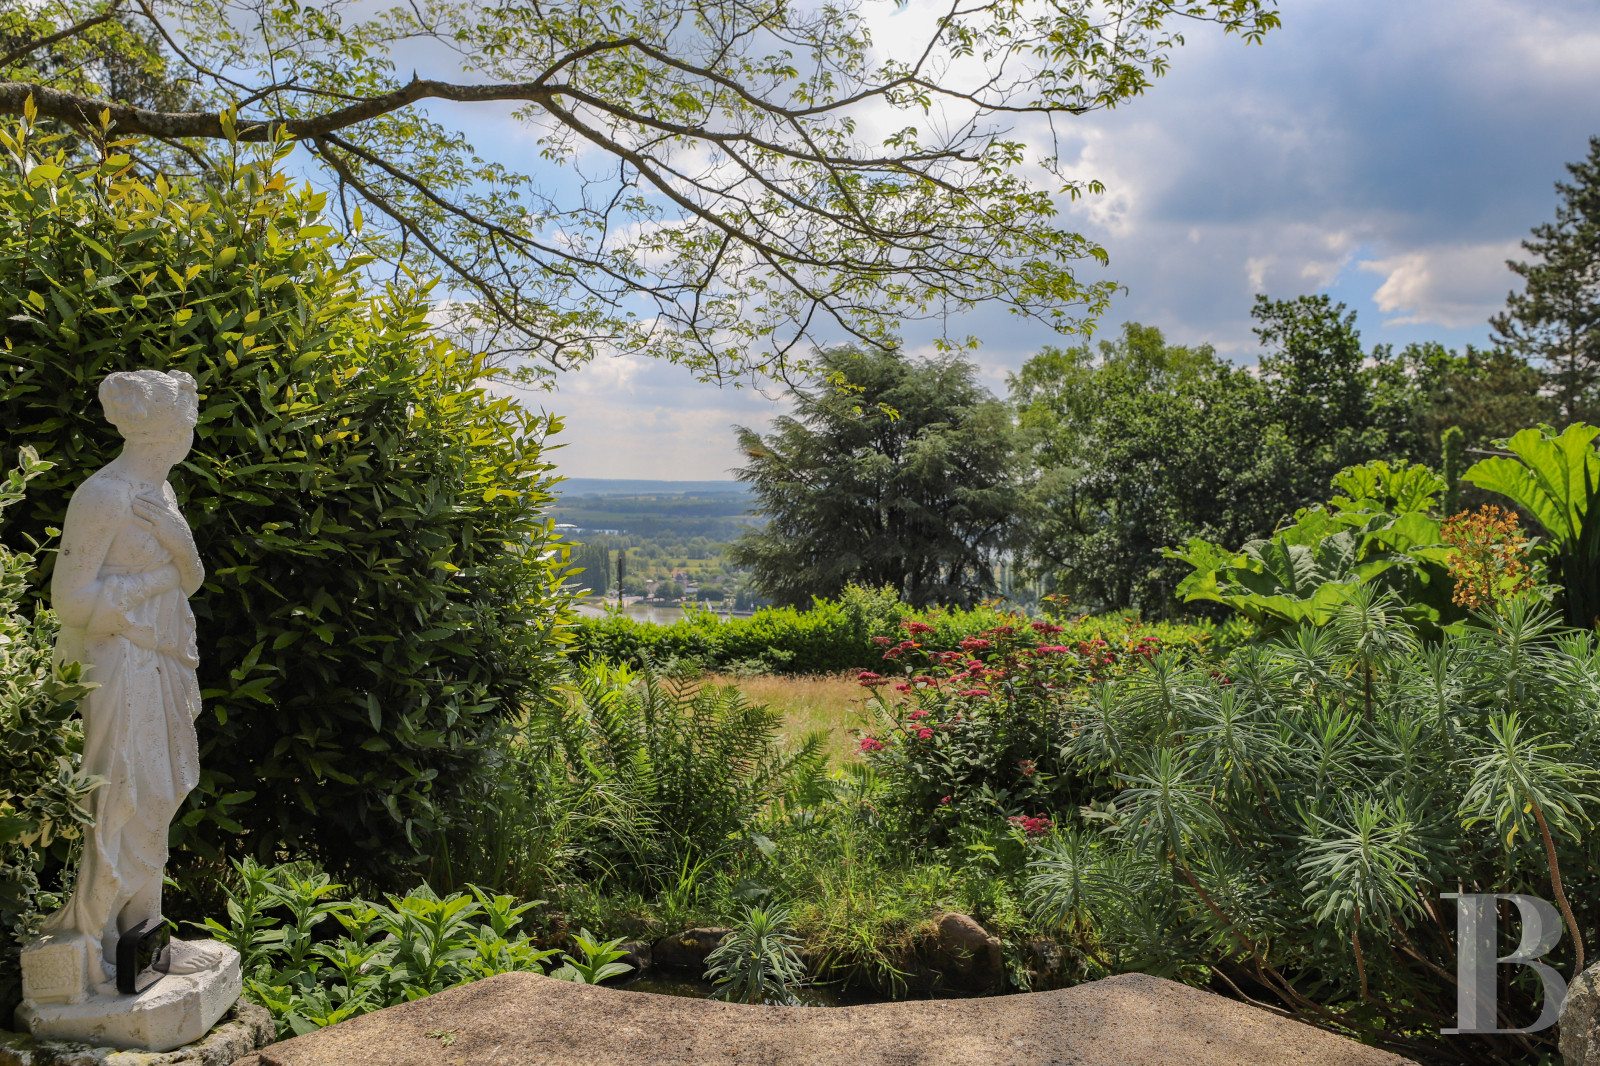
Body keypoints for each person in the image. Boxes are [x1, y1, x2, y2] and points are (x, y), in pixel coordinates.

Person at [45, 369, 222, 987]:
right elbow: (70, 599)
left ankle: (144, 936)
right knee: (118, 793)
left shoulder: (163, 494)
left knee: (158, 791)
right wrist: (157, 580)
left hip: (164, 654)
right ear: (167, 432)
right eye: (187, 425)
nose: (190, 435)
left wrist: (179, 548)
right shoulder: (106, 495)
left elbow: (192, 577)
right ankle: (89, 941)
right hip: (119, 658)